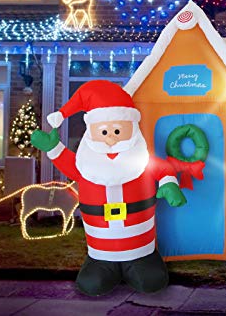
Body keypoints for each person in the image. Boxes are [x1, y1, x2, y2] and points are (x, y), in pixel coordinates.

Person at [31, 80, 186, 296]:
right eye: (103, 132)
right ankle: (101, 266)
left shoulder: (141, 159)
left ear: (132, 128)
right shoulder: (86, 164)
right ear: (91, 131)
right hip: (100, 251)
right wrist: (53, 148)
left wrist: (169, 184)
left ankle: (142, 262)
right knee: (92, 283)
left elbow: (162, 168)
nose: (111, 138)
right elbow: (69, 163)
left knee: (150, 280)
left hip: (141, 248)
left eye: (117, 130)